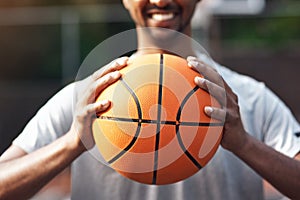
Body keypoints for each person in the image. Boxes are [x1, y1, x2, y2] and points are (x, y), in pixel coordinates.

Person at [0, 0, 300, 199]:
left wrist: (245, 144)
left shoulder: (248, 98)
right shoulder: (84, 100)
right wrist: (71, 143)